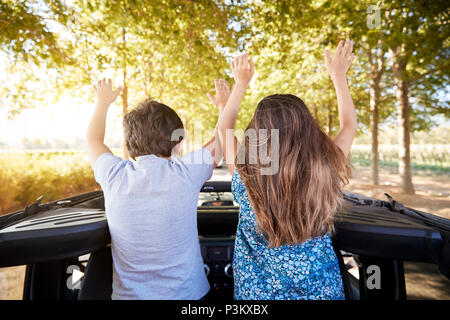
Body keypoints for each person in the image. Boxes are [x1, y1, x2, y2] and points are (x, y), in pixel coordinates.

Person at [216, 39, 356, 300]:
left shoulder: (246, 176)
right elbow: (349, 126)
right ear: (309, 130)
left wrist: (240, 84)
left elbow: (224, 129)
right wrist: (338, 76)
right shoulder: (325, 168)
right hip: (322, 293)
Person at [86, 78, 227, 299]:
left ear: (128, 144)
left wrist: (102, 102)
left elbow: (93, 139)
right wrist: (223, 106)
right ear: (178, 143)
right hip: (189, 296)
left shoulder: (113, 175)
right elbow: (221, 140)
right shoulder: (186, 173)